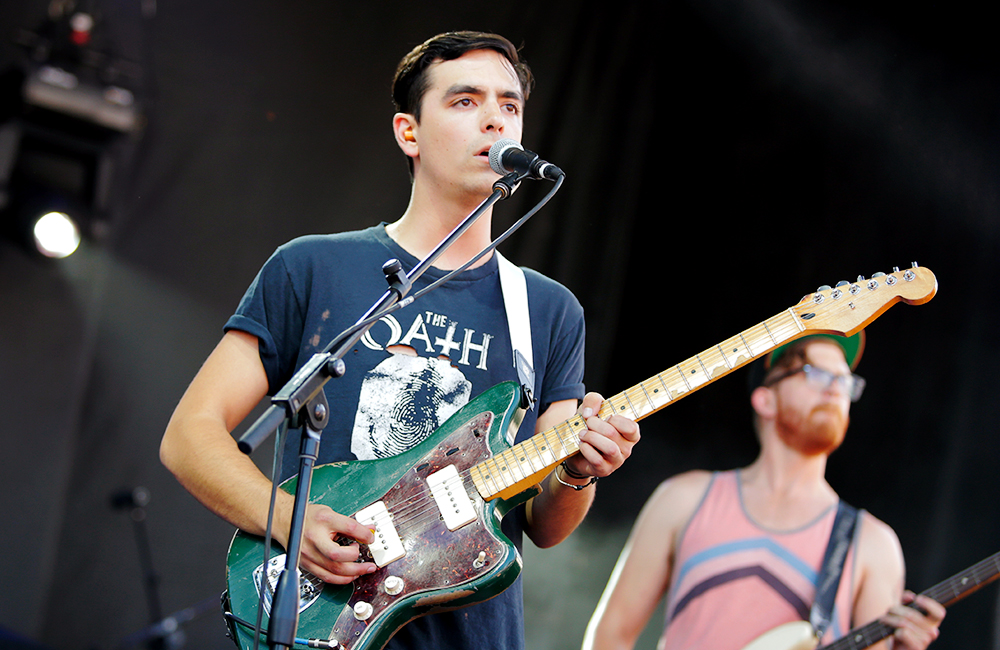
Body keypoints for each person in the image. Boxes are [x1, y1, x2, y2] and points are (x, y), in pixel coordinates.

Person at [159, 31, 640, 650]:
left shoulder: (546, 310)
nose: (495, 119)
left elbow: (545, 525)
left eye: (510, 105)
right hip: (322, 624)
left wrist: (579, 472)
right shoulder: (312, 268)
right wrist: (288, 518)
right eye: (465, 102)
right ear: (408, 132)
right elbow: (190, 435)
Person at [583, 334, 945, 650]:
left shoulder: (874, 544)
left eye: (845, 380)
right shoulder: (683, 499)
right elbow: (609, 636)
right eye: (816, 373)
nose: (835, 388)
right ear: (765, 399)